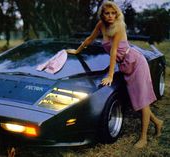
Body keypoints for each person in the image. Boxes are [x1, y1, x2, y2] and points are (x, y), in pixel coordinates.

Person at [67, 1, 163, 148]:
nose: (110, 16)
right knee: (136, 100)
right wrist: (77, 51)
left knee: (143, 101)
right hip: (125, 65)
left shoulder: (118, 27)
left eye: (113, 13)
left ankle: (143, 138)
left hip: (136, 62)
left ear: (117, 14)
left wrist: (111, 75)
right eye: (107, 13)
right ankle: (157, 122)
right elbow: (90, 39)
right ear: (102, 15)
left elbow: (113, 52)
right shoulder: (101, 25)